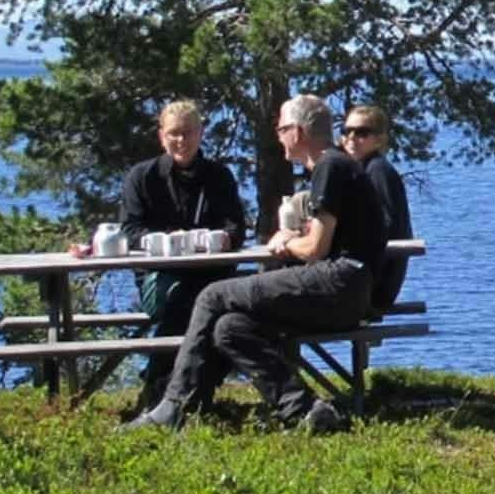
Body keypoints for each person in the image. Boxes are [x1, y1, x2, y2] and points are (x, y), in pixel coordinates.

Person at [124, 94, 384, 435]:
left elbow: (316, 249)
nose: (277, 135)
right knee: (230, 327)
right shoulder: (333, 167)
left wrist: (287, 241)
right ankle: (305, 410)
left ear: (299, 132)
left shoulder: (330, 166)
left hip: (339, 282)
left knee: (212, 296)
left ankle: (174, 407)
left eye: (281, 128)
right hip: (345, 289)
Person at [117, 99, 247, 410]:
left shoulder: (219, 176)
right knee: (194, 302)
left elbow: (236, 227)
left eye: (188, 133)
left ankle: (164, 390)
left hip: (210, 275)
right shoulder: (142, 177)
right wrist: (163, 241)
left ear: (201, 133)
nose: (181, 140)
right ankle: (181, 389)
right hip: (159, 278)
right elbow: (130, 229)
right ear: (161, 136)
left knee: (220, 309)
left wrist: (216, 239)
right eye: (174, 133)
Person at [341, 103, 411, 311]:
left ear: (379, 138)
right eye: (346, 131)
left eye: (362, 132)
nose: (352, 138)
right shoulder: (363, 170)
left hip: (377, 285)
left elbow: (385, 225)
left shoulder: (378, 171)